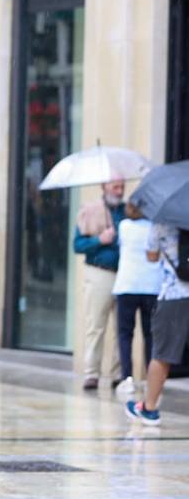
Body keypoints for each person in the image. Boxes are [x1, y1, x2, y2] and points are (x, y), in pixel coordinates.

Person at [125, 219, 189, 425]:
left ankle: (149, 408)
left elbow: (151, 256)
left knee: (162, 354)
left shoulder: (163, 221)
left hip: (174, 294)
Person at [73, 181, 126, 389]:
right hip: (99, 273)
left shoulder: (126, 211)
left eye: (122, 187)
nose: (119, 191)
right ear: (104, 187)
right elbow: (77, 245)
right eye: (115, 187)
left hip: (124, 274)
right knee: (95, 325)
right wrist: (100, 240)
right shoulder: (90, 211)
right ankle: (91, 373)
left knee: (121, 327)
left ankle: (118, 373)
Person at [113, 201, 159, 398]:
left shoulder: (123, 227)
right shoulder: (155, 227)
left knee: (125, 334)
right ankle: (151, 378)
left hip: (127, 285)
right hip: (151, 286)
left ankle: (128, 378)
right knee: (150, 335)